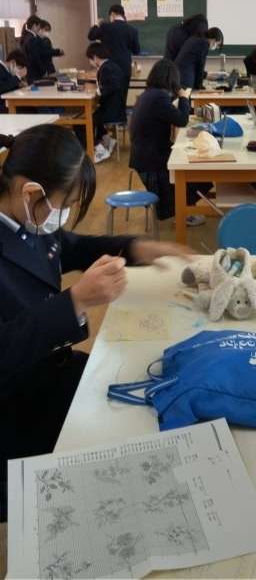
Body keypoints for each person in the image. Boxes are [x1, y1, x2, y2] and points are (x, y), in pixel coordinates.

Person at [0, 123, 190, 521]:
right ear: (29, 192)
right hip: (15, 406)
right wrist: (75, 301)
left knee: (144, 393)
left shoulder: (26, 218)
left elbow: (69, 246)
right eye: (64, 204)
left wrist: (136, 247)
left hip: (46, 371)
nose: (64, 216)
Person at [129, 59, 210, 225]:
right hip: (152, 162)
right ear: (172, 79)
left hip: (144, 156)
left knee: (192, 166)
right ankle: (184, 213)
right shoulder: (158, 98)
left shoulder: (149, 94)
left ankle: (186, 209)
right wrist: (184, 97)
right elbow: (182, 120)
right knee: (196, 173)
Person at [88, 4, 140, 99]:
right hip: (125, 68)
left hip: (109, 68)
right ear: (123, 15)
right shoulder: (133, 30)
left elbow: (91, 36)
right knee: (123, 97)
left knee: (109, 97)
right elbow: (136, 51)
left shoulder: (105, 27)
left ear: (112, 14)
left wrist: (97, 24)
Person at [86, 42, 127, 163]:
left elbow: (109, 87)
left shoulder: (106, 68)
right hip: (116, 108)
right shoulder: (111, 66)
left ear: (95, 57)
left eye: (90, 59)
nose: (90, 62)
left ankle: (99, 150)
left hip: (112, 111)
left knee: (84, 122)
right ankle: (107, 140)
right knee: (94, 115)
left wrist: (96, 91)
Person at [21, 15, 46, 83]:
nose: (39, 29)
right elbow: (35, 58)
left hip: (30, 73)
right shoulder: (32, 39)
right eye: (39, 26)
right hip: (35, 73)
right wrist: (43, 70)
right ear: (34, 25)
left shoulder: (27, 36)